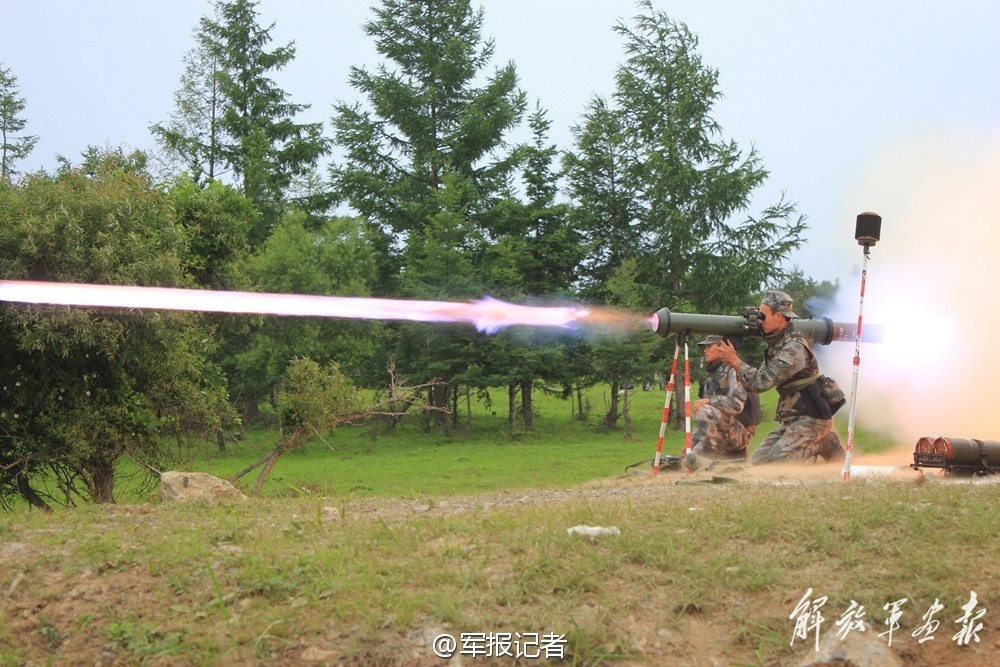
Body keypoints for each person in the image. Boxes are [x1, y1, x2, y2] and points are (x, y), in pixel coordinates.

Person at [717, 290, 845, 464]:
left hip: (813, 419)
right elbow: (754, 385)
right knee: (759, 461)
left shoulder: (794, 348)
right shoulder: (777, 346)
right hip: (795, 418)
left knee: (778, 461)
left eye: (763, 316)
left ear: (779, 317)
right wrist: (734, 363)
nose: (760, 322)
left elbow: (763, 382)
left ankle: (824, 443)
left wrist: (734, 360)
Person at [684, 334, 756, 471]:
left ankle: (711, 461)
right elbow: (705, 423)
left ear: (721, 347)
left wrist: (709, 400)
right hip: (723, 430)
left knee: (704, 409)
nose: (705, 351)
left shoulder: (734, 370)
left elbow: (736, 405)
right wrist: (691, 445)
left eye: (709, 346)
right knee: (688, 458)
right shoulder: (713, 374)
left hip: (740, 432)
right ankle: (719, 464)